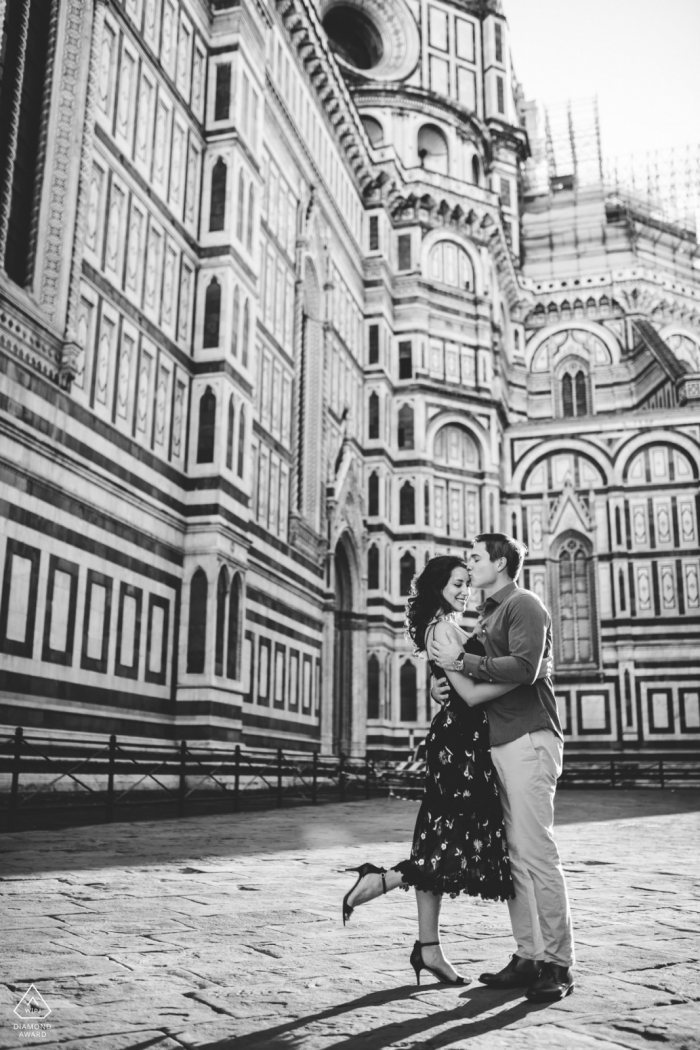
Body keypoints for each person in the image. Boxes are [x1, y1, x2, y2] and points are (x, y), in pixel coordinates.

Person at [341, 555, 517, 986]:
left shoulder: (448, 626)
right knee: (451, 837)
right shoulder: (442, 628)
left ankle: (428, 947)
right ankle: (382, 880)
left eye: (466, 583)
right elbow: (471, 695)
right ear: (439, 586)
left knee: (444, 836)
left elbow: (452, 685)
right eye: (456, 583)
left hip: (461, 741)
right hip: (459, 746)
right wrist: (525, 676)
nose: (463, 590)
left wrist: (443, 686)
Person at [430, 534, 575, 1003]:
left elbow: (527, 666)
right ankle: (528, 955)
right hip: (502, 741)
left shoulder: (523, 603)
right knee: (515, 855)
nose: (469, 564)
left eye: (475, 558)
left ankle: (558, 962)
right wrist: (446, 683)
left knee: (536, 853)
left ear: (500, 562)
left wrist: (464, 661)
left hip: (531, 738)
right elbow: (480, 674)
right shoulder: (488, 613)